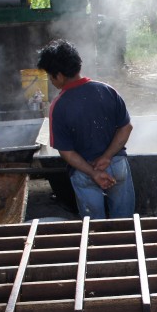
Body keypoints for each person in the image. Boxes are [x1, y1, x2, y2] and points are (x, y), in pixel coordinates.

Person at [36, 39, 135, 220]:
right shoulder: (107, 90)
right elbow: (126, 127)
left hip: (85, 172)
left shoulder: (59, 106)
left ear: (59, 75)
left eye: (50, 76)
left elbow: (66, 151)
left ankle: (97, 246)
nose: (51, 80)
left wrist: (94, 172)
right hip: (117, 165)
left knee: (93, 226)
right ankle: (126, 245)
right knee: (124, 221)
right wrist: (107, 157)